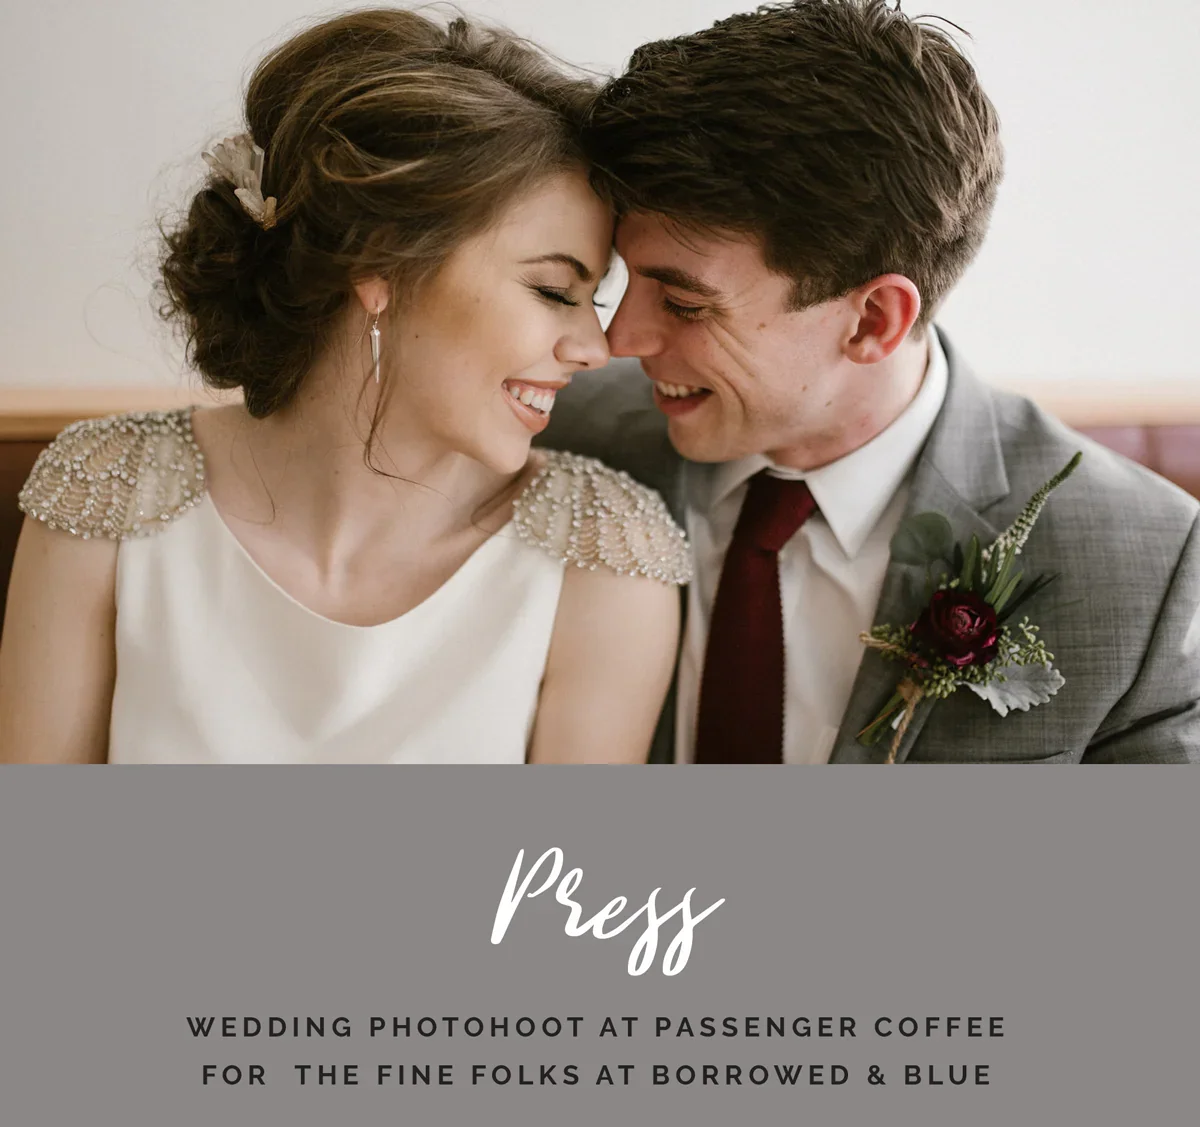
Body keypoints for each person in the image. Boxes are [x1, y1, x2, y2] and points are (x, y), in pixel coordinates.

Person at [0, 9, 689, 764]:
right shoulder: (105, 496)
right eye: (557, 291)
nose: (598, 347)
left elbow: (572, 882)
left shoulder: (608, 555)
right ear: (380, 264)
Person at [541, 0, 1200, 763]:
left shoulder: (1144, 575)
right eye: (625, 281)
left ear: (873, 321)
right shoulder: (558, 444)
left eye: (685, 303)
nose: (618, 339)